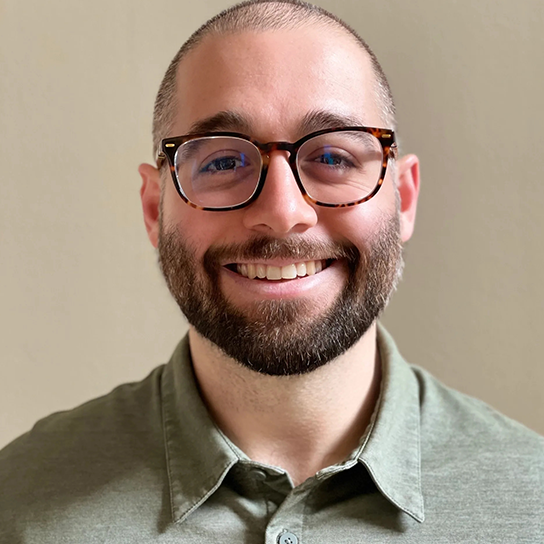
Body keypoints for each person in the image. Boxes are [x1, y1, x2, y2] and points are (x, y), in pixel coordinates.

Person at [0, 0, 542, 541]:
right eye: (222, 161)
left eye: (332, 158)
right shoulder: (19, 504)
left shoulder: (530, 503)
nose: (282, 212)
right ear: (153, 208)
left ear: (403, 198)